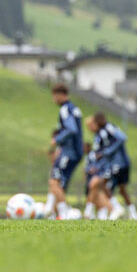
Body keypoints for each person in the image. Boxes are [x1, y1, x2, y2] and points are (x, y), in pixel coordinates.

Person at [46, 84, 84, 220]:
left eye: (54, 97)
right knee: (59, 184)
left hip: (70, 152)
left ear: (59, 95)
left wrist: (57, 139)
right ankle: (50, 212)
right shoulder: (75, 109)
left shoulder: (65, 109)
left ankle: (64, 213)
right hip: (73, 151)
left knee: (54, 181)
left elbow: (71, 129)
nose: (53, 100)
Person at [88, 114, 131, 221]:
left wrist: (107, 151)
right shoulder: (99, 135)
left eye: (91, 125)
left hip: (118, 163)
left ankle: (116, 209)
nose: (90, 128)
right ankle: (112, 210)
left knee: (104, 184)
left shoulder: (108, 128)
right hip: (110, 164)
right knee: (105, 186)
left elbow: (122, 137)